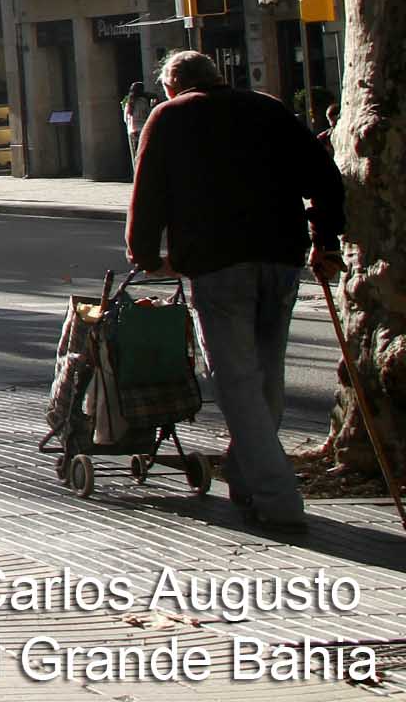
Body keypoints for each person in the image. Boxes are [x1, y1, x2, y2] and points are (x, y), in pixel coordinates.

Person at [128, 49, 345, 536]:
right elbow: (325, 178)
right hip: (281, 257)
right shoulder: (268, 108)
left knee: (239, 383)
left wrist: (144, 256)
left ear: (171, 87)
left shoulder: (168, 117)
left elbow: (149, 194)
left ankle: (279, 498)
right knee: (267, 375)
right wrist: (325, 238)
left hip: (218, 263)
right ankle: (246, 480)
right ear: (218, 78)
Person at [123, 81, 157, 168]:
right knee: (143, 151)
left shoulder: (128, 102)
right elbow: (148, 114)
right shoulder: (143, 101)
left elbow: (125, 118)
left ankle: (136, 169)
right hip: (142, 128)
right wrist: (153, 106)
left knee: (135, 152)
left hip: (132, 130)